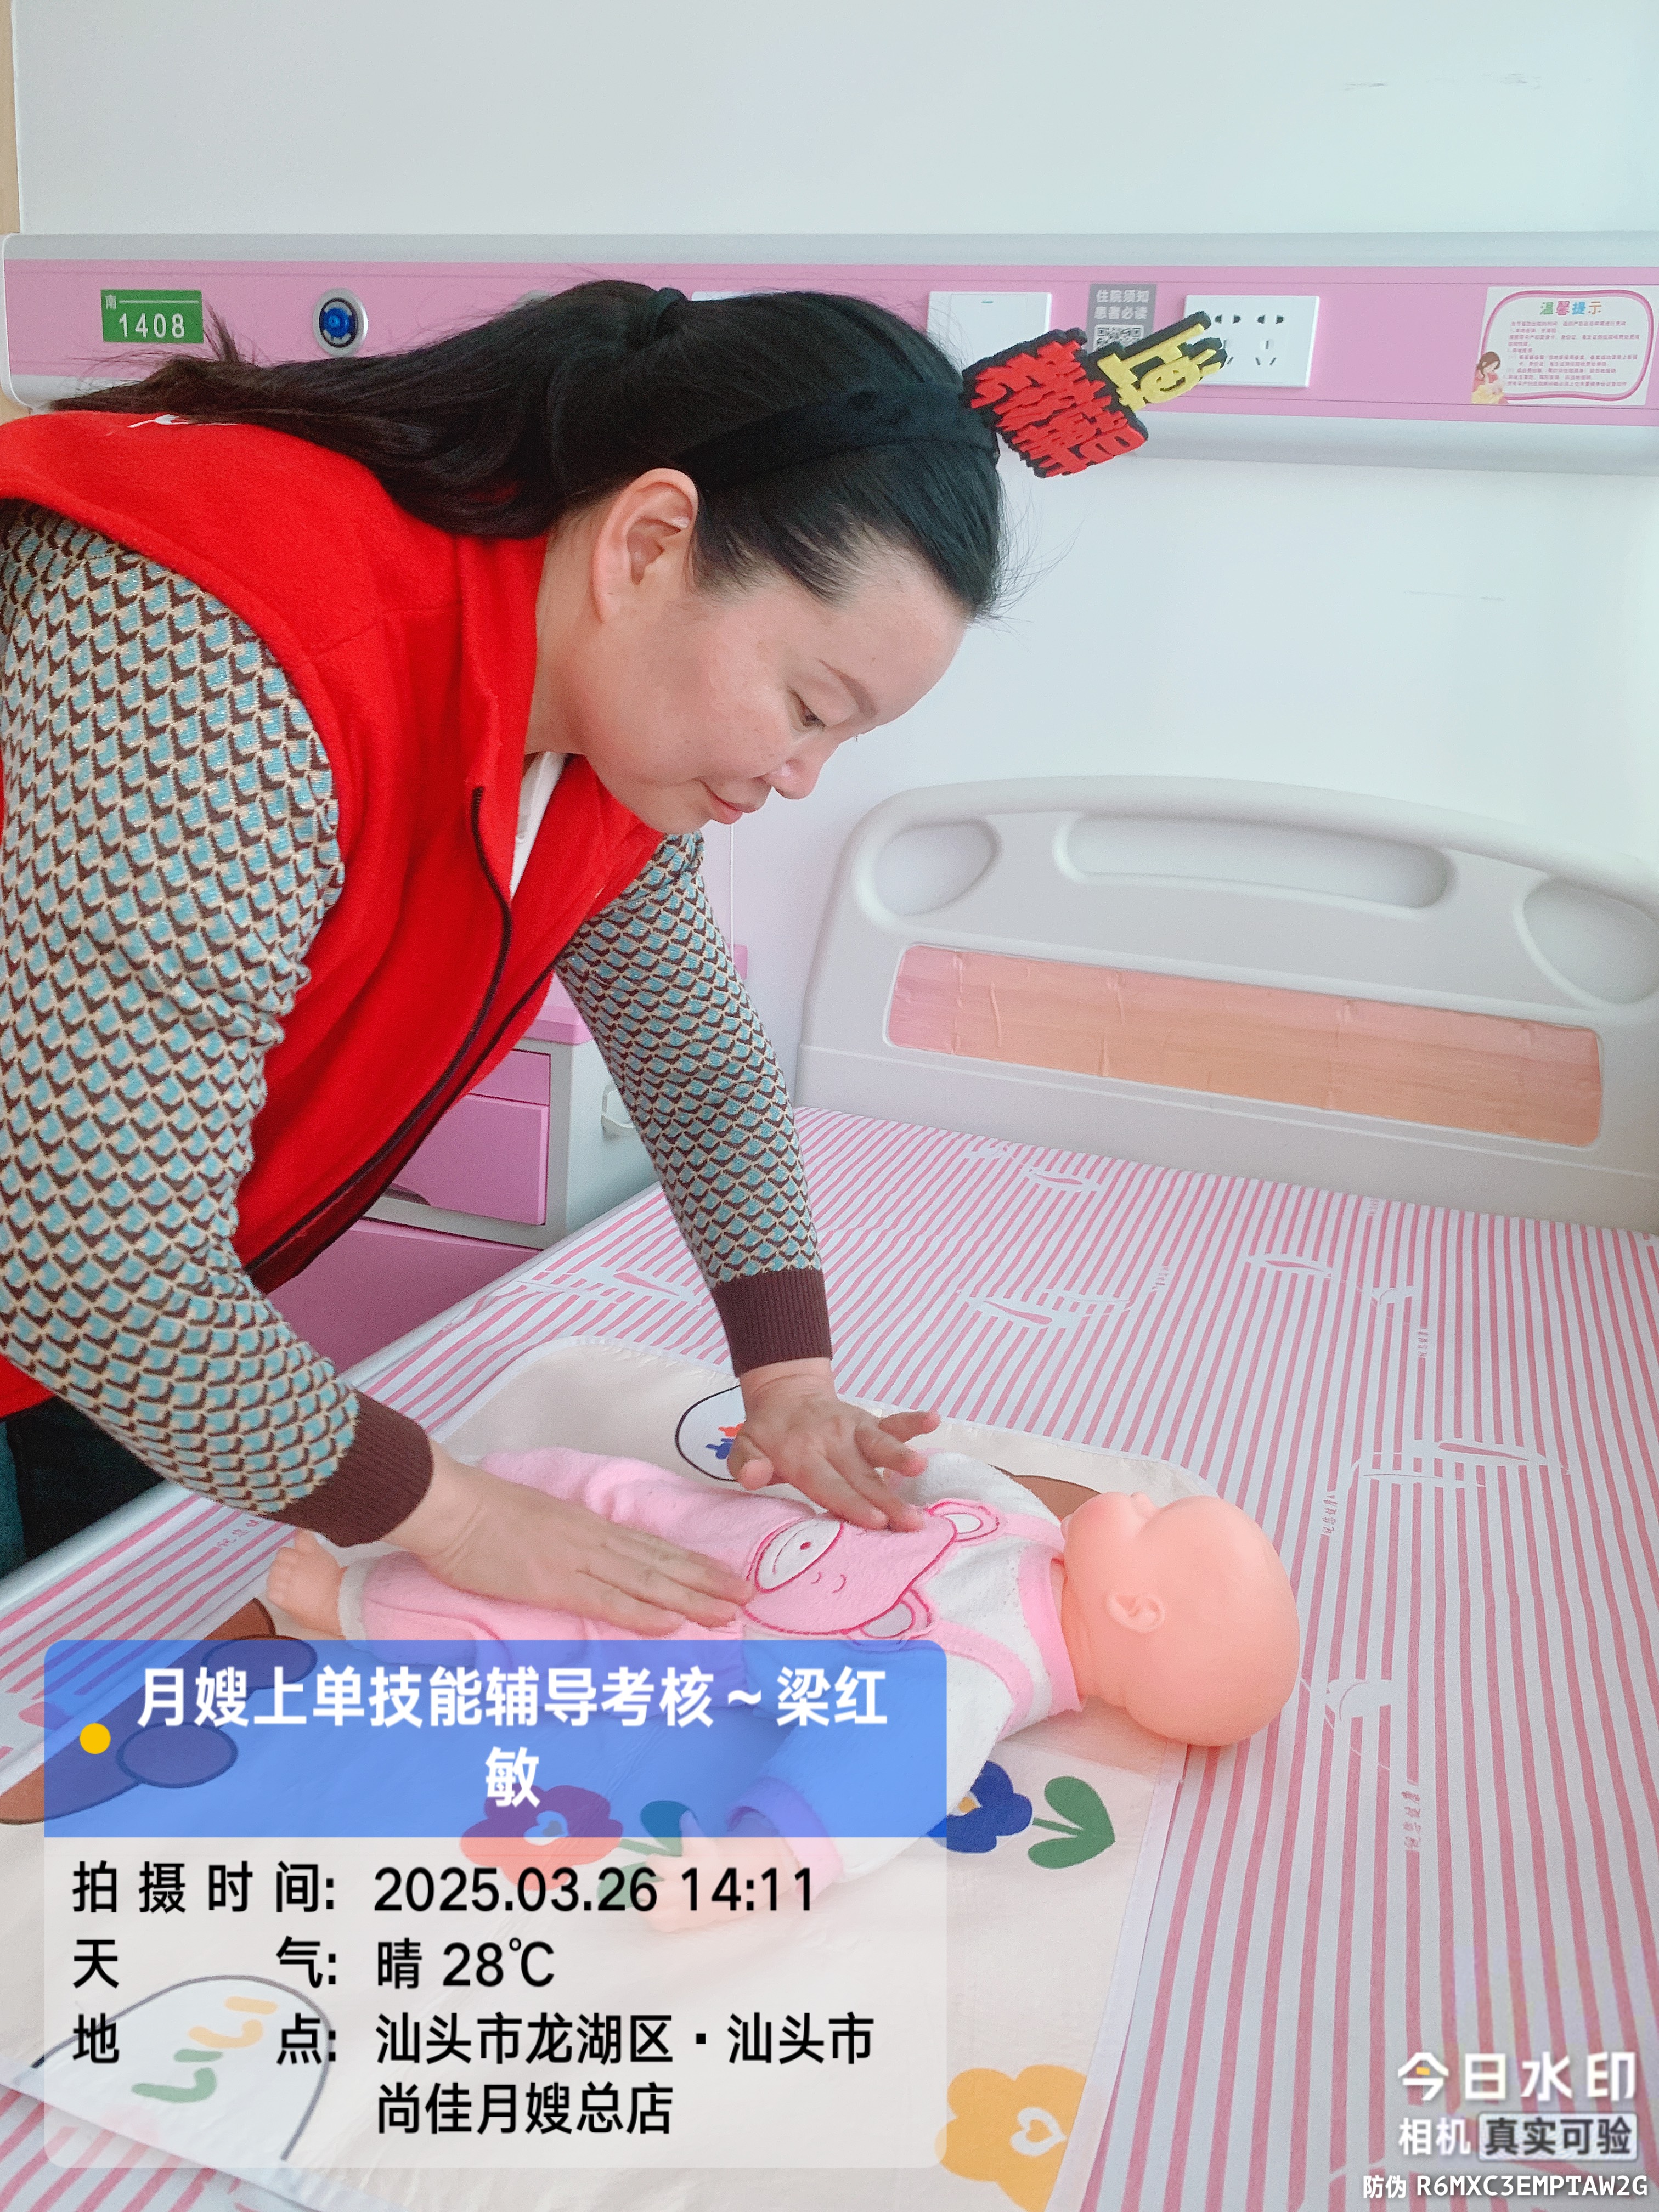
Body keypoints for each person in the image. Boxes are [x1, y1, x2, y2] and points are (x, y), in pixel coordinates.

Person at [0, 282, 1008, 1622]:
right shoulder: (227, 647)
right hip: (70, 1269)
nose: (800, 774)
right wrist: (459, 1513)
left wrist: (791, 1382)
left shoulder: (604, 740)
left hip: (73, 1304)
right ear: (649, 543)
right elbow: (93, 1263)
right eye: (806, 705)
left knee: (103, 1626)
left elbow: (700, 1072)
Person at [264, 1438, 1301, 1913]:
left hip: (685, 1621)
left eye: (1158, 1522)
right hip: (711, 1524)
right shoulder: (1033, 1528)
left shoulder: (978, 1676)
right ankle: (445, 1497)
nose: (1139, 1499)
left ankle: (344, 1606)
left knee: (532, 1629)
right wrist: (869, 1448)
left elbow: (871, 1783)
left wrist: (756, 1864)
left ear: (1137, 1608)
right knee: (586, 1484)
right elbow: (948, 1478)